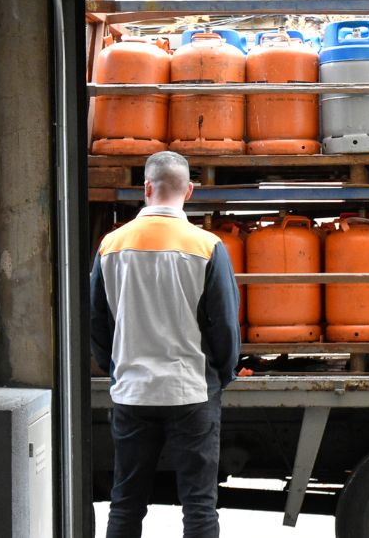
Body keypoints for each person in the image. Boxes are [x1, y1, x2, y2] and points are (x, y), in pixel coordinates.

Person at [90, 151, 240, 538]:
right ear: (189, 191)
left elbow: (97, 321)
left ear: (146, 188)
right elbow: (223, 324)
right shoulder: (206, 246)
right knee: (199, 506)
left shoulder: (111, 245)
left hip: (133, 391)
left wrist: (116, 367)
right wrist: (220, 375)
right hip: (190, 391)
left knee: (126, 502)